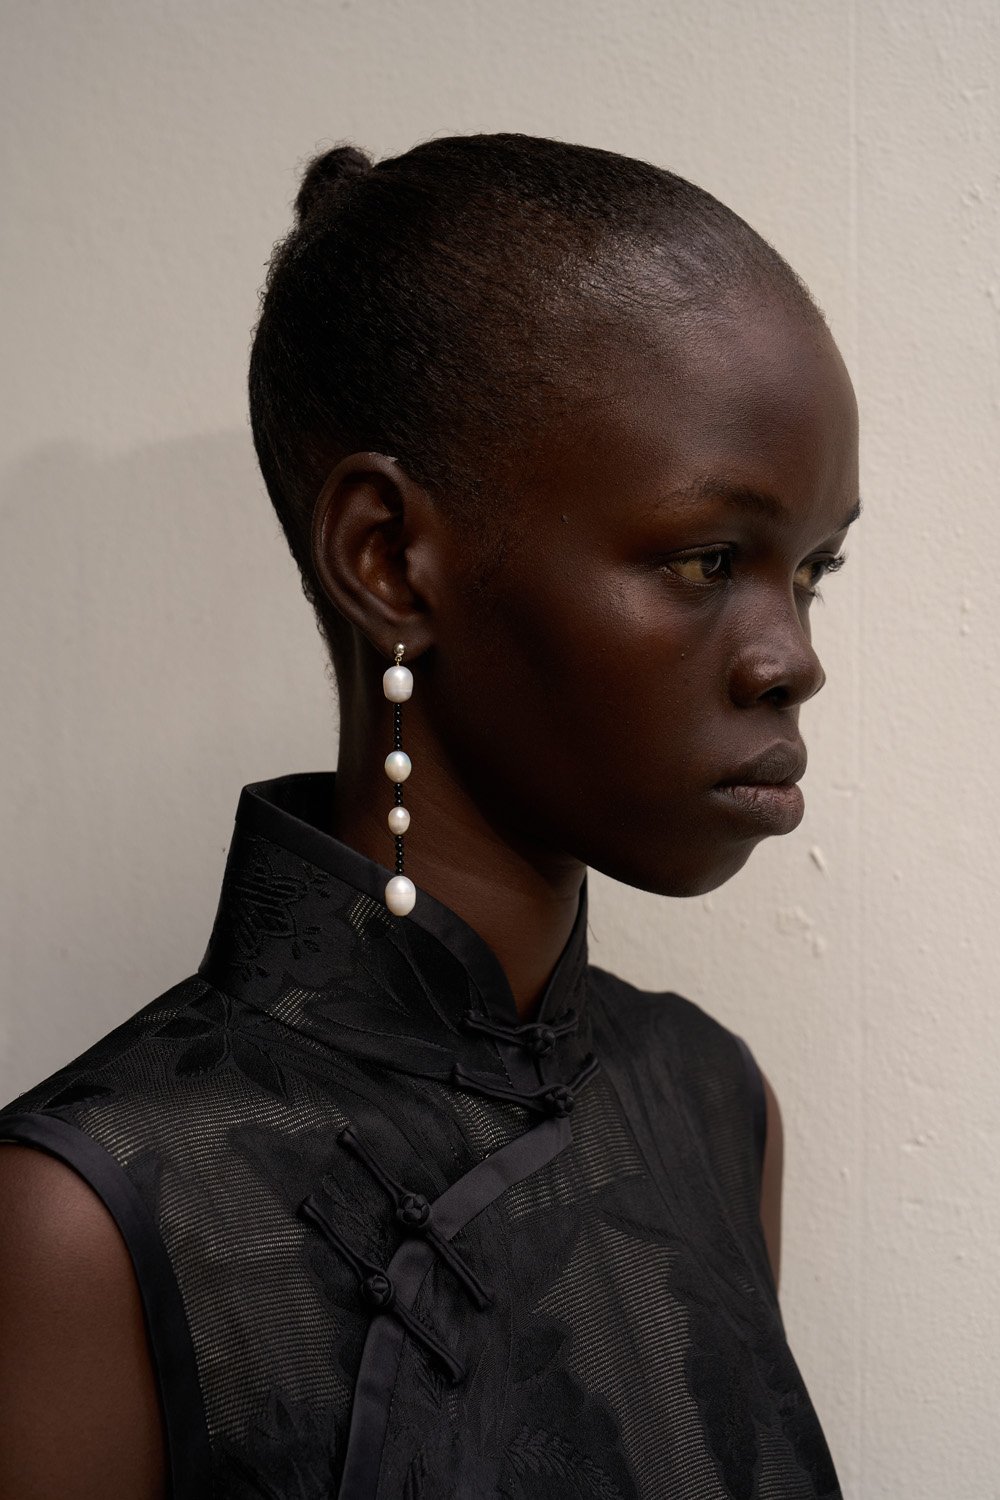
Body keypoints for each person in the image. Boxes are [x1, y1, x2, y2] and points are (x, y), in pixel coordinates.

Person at [0, 132, 859, 1499]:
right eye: (709, 559)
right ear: (390, 560)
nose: (792, 658)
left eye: (813, 571)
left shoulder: (711, 1103)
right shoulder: (84, 1225)